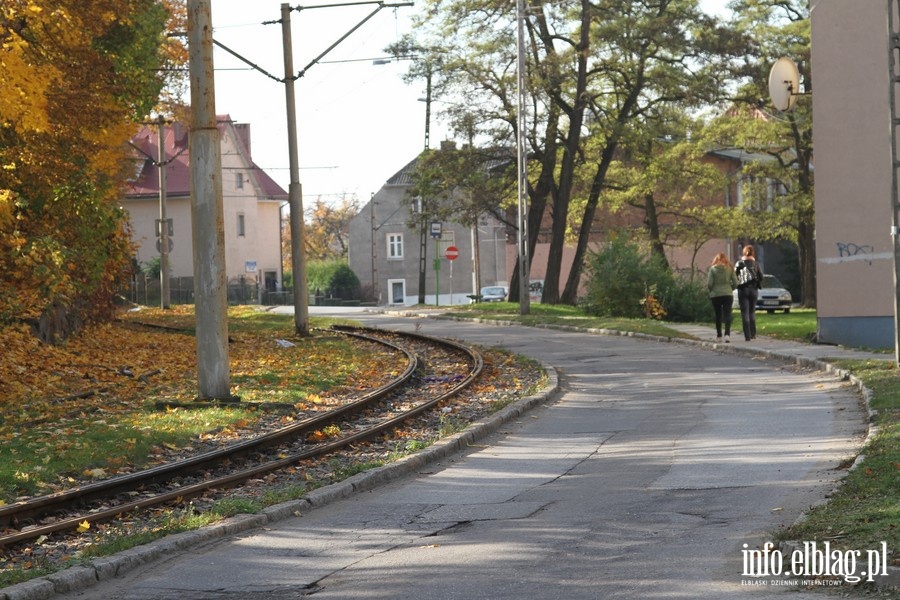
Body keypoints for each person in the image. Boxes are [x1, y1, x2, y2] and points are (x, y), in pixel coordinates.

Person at [707, 252, 737, 343]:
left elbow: (709, 283)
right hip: (728, 294)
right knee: (727, 314)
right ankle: (727, 335)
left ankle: (719, 335)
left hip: (716, 295)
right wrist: (730, 289)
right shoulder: (730, 268)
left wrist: (712, 290)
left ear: (716, 259)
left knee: (718, 315)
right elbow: (736, 282)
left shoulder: (712, 269)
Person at [735, 245, 763, 341]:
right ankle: (753, 334)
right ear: (753, 253)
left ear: (743, 252)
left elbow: (735, 277)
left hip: (743, 290)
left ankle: (747, 336)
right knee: (752, 312)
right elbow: (761, 277)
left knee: (744, 313)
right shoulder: (756, 264)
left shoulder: (739, 263)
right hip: (754, 290)